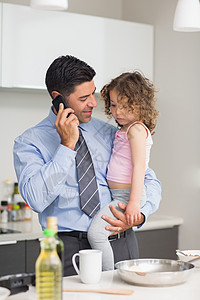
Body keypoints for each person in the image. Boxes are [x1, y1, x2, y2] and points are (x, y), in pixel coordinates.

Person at [13, 55, 161, 276]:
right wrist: (67, 145)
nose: (93, 102)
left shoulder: (112, 133)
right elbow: (36, 199)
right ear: (58, 98)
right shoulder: (29, 142)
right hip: (68, 251)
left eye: (93, 93)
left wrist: (140, 214)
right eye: (84, 97)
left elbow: (149, 180)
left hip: (120, 243)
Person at [88, 71, 159, 271]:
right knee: (101, 234)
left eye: (125, 105)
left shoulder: (136, 130)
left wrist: (134, 203)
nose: (118, 111)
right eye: (113, 104)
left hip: (128, 196)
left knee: (96, 235)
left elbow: (139, 168)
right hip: (121, 195)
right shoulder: (124, 129)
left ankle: (107, 276)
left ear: (140, 104)